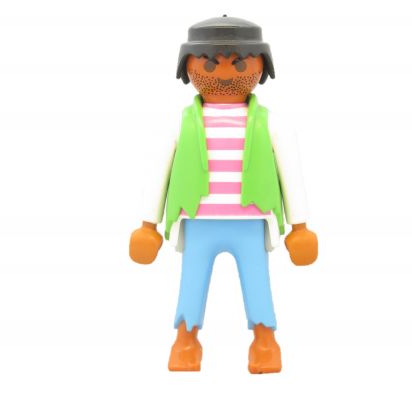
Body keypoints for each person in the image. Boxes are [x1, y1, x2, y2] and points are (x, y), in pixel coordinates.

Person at [129, 15, 318, 374]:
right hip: (197, 220)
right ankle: (186, 340)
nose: (226, 74)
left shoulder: (272, 123)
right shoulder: (179, 123)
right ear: (188, 66)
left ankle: (265, 340)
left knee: (257, 281)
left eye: (240, 64)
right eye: (211, 63)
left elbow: (291, 173)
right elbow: (158, 172)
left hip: (251, 221)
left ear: (261, 66)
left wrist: (300, 226)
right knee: (192, 281)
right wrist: (147, 225)